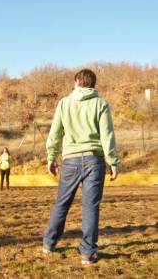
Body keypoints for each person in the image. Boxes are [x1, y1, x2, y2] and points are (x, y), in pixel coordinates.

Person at [42, 69, 120, 265]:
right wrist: (112, 161)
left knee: (62, 203)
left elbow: (55, 133)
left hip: (71, 160)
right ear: (93, 84)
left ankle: (49, 244)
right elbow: (107, 136)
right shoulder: (101, 104)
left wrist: (51, 157)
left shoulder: (64, 103)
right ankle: (88, 253)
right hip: (95, 160)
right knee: (90, 207)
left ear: (76, 82)